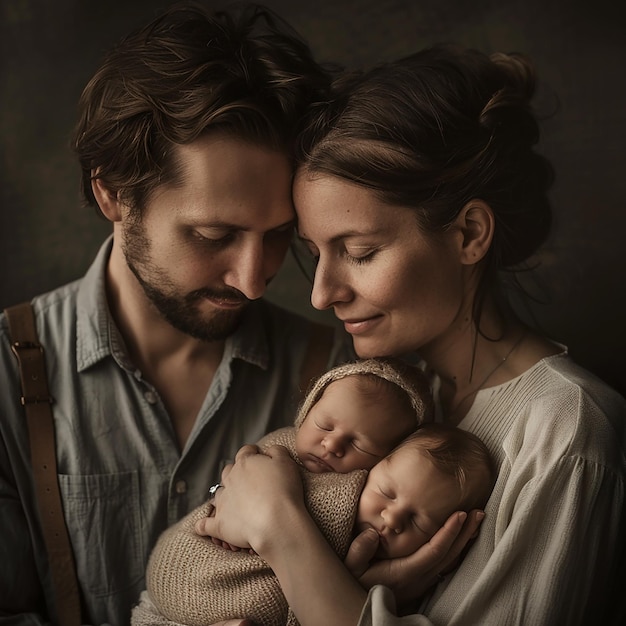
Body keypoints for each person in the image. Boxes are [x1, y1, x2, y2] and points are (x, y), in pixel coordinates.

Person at [196, 44, 626, 625]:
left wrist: (279, 525)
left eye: (359, 252)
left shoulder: (566, 433)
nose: (323, 293)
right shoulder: (392, 400)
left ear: (470, 233)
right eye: (316, 254)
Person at [0, 3, 354, 625]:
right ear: (111, 191)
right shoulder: (5, 375)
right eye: (213, 234)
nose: (253, 279)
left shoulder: (339, 379)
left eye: (277, 236)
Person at [131, 361, 493, 626]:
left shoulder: (362, 497)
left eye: (358, 443)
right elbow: (222, 500)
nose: (331, 445)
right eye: (323, 425)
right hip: (195, 568)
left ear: (386, 460)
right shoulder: (277, 450)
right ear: (305, 414)